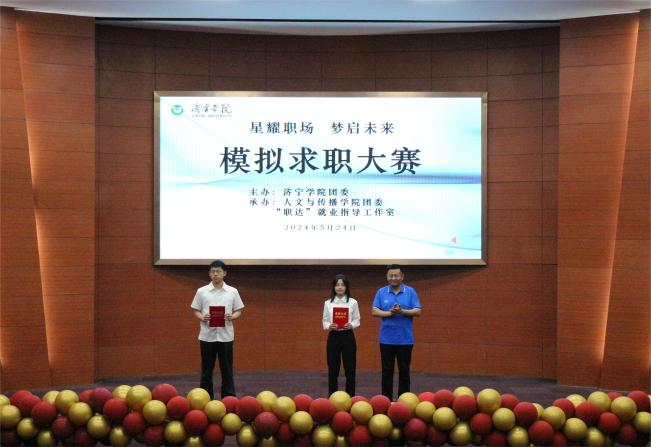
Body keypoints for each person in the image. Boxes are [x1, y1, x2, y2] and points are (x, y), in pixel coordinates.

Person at [191, 260, 244, 399]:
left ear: (224, 273)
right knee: (206, 369)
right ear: (209, 273)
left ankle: (228, 397)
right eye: (212, 271)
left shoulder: (233, 291)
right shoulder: (201, 291)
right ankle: (205, 397)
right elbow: (195, 309)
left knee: (227, 369)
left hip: (226, 336)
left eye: (218, 271)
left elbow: (239, 310)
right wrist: (202, 317)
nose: (215, 274)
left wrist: (232, 316)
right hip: (207, 336)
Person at [371, 264, 422, 400]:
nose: (393, 278)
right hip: (386, 339)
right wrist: (390, 313)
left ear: (402, 276)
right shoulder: (381, 292)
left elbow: (418, 311)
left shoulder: (410, 291)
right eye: (391, 275)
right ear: (387, 277)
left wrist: (402, 311)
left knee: (404, 371)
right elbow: (374, 311)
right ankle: (386, 400)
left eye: (396, 275)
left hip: (405, 339)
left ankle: (404, 400)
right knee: (386, 371)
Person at [322, 274, 360, 396]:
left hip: (348, 336)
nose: (339, 287)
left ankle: (351, 396)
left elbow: (357, 320)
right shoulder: (328, 303)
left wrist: (351, 324)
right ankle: (332, 397)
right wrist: (329, 325)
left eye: (342, 285)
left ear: (346, 287)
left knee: (350, 369)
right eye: (337, 285)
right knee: (333, 369)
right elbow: (325, 321)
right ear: (333, 287)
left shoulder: (353, 302)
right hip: (334, 336)